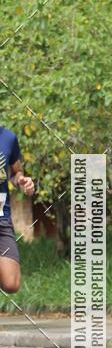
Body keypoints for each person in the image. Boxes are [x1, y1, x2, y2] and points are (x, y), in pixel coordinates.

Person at [0, 125, 35, 294]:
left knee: (11, 284)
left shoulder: (8, 137)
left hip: (1, 217)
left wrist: (22, 180)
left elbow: (15, 172)